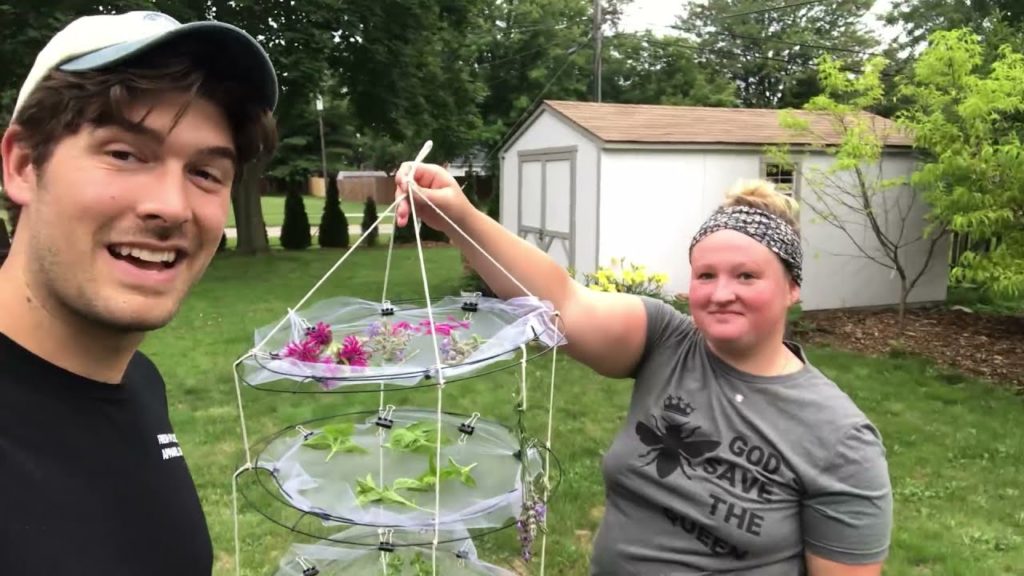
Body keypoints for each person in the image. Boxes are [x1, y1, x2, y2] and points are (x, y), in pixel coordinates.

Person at [393, 166, 893, 575]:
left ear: (792, 287)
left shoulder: (839, 439)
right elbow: (560, 299)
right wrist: (458, 218)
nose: (721, 293)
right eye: (706, 275)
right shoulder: (667, 342)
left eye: (747, 276)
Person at [0, 11, 278, 575]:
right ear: (25, 165)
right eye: (125, 154)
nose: (172, 207)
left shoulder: (139, 382)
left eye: (205, 172)